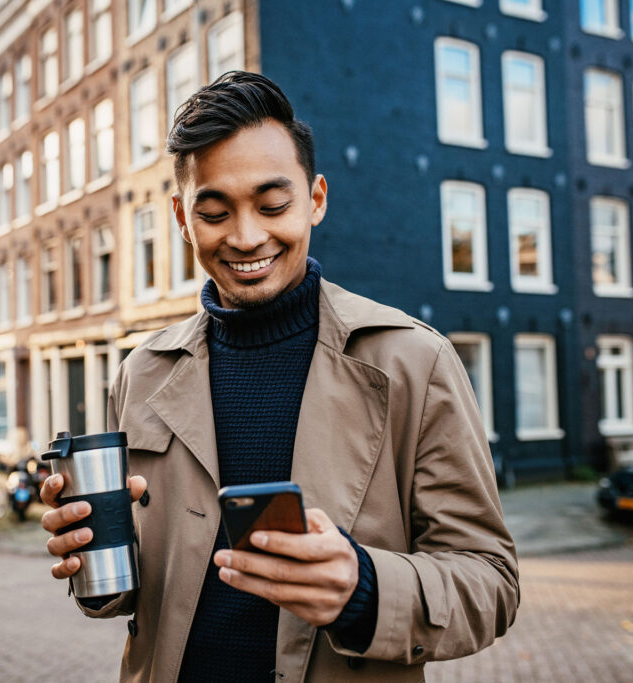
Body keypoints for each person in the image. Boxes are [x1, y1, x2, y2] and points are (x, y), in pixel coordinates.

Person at [41, 71, 519, 682]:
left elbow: (491, 584)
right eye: (213, 212)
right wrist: (91, 560)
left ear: (316, 198)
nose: (246, 237)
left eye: (273, 205)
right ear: (182, 219)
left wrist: (364, 590)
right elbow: (139, 594)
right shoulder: (142, 373)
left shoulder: (412, 363)